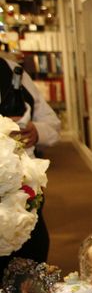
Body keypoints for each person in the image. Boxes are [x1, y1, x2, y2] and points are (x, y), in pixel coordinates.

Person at [0, 54, 61, 270]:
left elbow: (53, 126)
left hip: (25, 202)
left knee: (30, 269)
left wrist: (37, 132)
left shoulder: (13, 72)